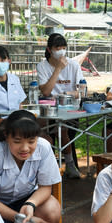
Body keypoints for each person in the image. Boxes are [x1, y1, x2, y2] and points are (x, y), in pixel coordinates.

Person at [37, 32, 83, 179]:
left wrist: (66, 94)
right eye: (58, 48)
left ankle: (69, 164)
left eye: (64, 47)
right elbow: (45, 92)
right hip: (48, 108)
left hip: (69, 109)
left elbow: (81, 90)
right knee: (43, 128)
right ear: (50, 50)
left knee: (61, 128)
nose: (61, 51)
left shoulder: (74, 65)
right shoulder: (42, 66)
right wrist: (58, 69)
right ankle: (49, 166)